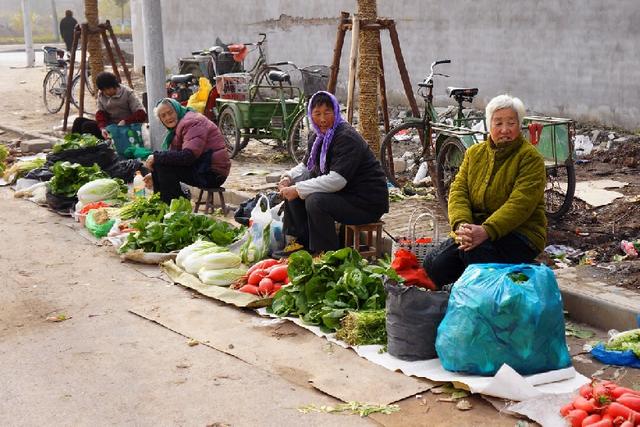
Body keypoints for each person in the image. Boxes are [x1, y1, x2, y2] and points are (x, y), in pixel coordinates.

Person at [424, 94, 547, 289]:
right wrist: (463, 225)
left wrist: (487, 230)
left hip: (521, 234)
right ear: (489, 125)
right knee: (434, 264)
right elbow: (458, 191)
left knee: (473, 255)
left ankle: (494, 295)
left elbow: (520, 203)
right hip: (476, 231)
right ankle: (474, 288)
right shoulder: (474, 154)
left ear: (519, 125)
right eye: (498, 123)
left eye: (511, 123)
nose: (505, 130)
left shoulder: (530, 158)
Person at [278, 91, 389, 254]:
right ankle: (301, 245)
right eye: (317, 114)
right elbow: (306, 167)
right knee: (296, 189)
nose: (322, 119)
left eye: (327, 113)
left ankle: (327, 254)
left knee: (315, 200)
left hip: (366, 203)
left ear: (336, 112)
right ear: (311, 115)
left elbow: (337, 180)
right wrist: (288, 178)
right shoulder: (317, 137)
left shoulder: (346, 137)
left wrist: (298, 189)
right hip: (346, 196)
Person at [144, 98, 230, 203]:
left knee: (162, 163)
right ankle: (161, 203)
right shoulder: (179, 125)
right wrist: (154, 174)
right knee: (160, 162)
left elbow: (188, 156)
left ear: (177, 110)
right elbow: (173, 156)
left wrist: (156, 157)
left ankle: (172, 206)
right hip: (201, 166)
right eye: (163, 116)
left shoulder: (192, 122)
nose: (168, 117)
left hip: (213, 173)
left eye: (170, 113)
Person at [71, 71, 147, 140]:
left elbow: (141, 114)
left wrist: (125, 121)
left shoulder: (127, 93)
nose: (107, 92)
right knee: (79, 121)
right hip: (110, 128)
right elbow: (100, 114)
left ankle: (92, 150)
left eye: (109, 89)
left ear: (115, 85)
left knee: (86, 126)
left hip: (126, 129)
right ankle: (74, 147)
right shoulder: (101, 94)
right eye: (104, 90)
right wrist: (102, 128)